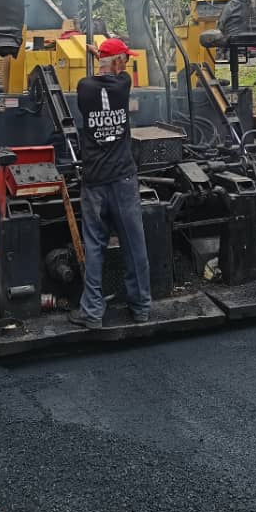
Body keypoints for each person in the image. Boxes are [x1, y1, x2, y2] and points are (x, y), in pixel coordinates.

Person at [70, 37, 151, 329]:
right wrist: (101, 53)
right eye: (124, 59)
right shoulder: (124, 84)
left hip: (94, 182)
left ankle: (92, 313)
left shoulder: (83, 88)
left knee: (94, 246)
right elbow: (116, 71)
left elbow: (100, 75)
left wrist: (99, 55)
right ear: (118, 63)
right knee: (134, 243)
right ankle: (140, 307)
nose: (126, 64)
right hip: (123, 179)